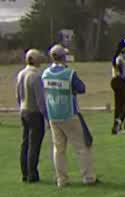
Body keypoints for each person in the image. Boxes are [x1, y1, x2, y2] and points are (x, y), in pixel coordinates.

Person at [41, 44, 96, 187]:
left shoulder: (45, 73)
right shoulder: (69, 73)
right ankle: (88, 177)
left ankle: (62, 179)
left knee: (58, 149)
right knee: (81, 147)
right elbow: (81, 88)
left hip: (53, 114)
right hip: (69, 113)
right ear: (63, 57)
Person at [16, 49, 47, 183]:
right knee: (34, 144)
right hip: (34, 112)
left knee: (25, 143)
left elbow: (18, 94)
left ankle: (24, 172)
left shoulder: (21, 73)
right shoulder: (36, 76)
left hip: (23, 110)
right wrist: (45, 115)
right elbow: (40, 99)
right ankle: (32, 174)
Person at [110, 38, 125, 133]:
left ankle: (116, 129)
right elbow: (123, 74)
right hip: (120, 82)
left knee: (119, 106)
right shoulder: (119, 59)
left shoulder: (117, 57)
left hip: (115, 82)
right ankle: (118, 124)